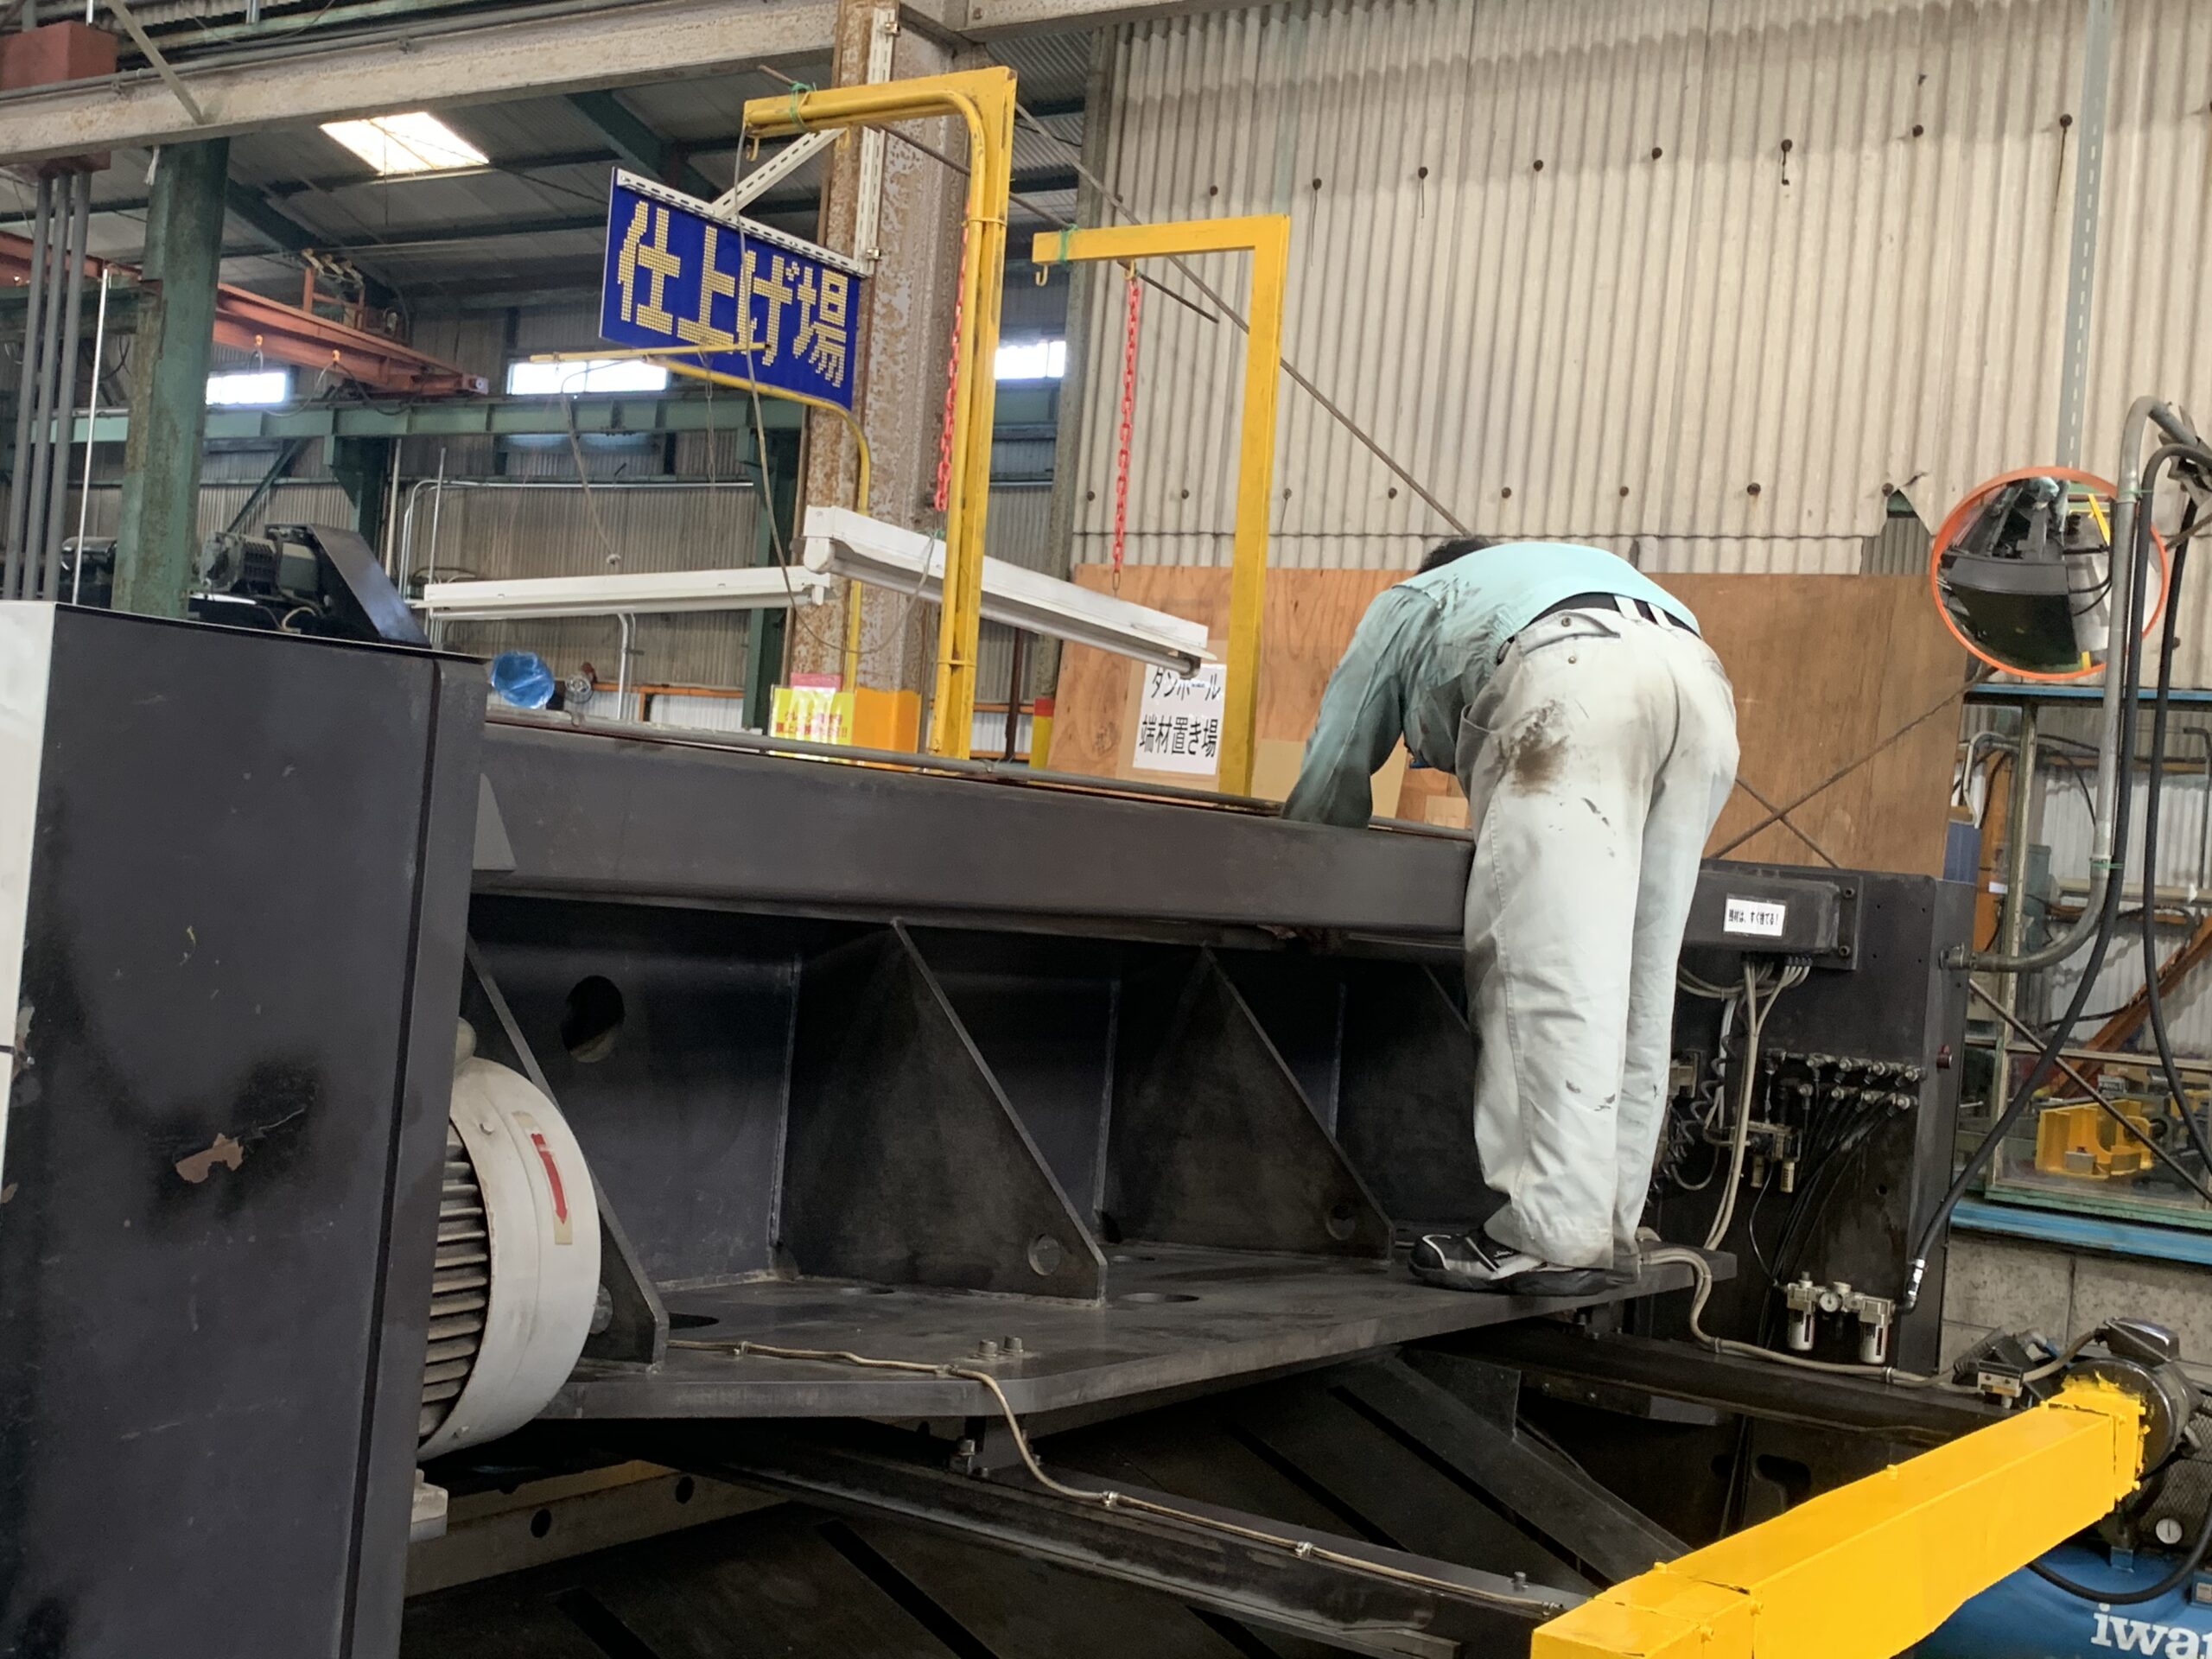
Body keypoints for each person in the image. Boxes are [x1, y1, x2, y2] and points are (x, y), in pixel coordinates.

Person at [1282, 537, 1738, 1294]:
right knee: (1637, 977)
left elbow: (1341, 750)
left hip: (1575, 689)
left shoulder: (1417, 600)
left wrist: (1301, 884)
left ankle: (1549, 1234)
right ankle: (1607, 1223)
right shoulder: (1555, 574)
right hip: (1702, 691)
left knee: (1546, 966)